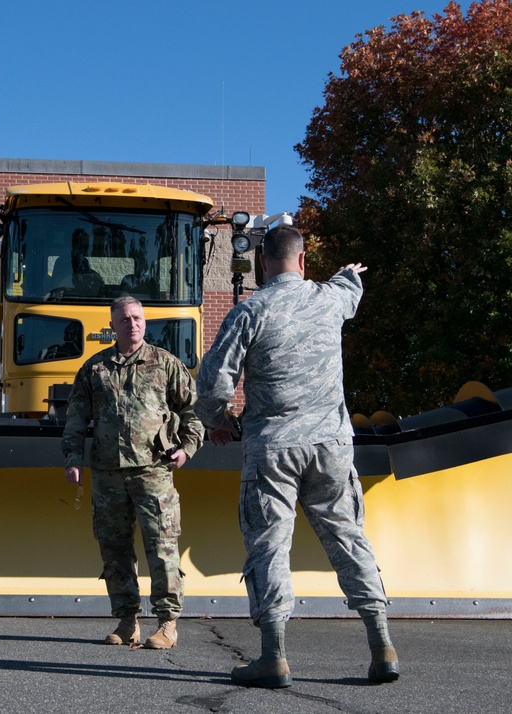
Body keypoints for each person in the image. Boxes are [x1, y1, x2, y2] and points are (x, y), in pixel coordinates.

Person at [194, 225, 399, 687]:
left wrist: (219, 420)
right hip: (332, 447)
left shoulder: (249, 311)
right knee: (349, 539)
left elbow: (212, 386)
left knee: (269, 546)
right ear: (304, 261)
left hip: (274, 449)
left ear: (262, 263)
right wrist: (349, 273)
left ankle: (274, 657)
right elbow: (350, 290)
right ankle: (382, 646)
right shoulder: (330, 299)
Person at [62, 296, 204, 648]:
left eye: (138, 318)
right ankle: (127, 621)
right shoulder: (95, 369)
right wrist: (73, 458)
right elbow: (76, 418)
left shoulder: (166, 364)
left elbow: (192, 410)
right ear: (113, 326)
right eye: (125, 319)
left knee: (161, 547)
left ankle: (167, 624)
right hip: (108, 474)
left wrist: (186, 448)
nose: (133, 323)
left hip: (154, 471)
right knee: (114, 549)